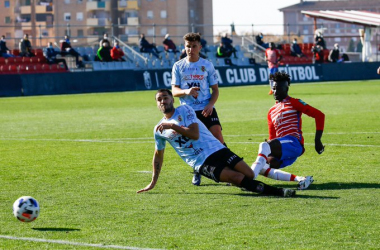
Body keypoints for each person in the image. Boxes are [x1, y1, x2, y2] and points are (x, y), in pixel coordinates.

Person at [137, 89, 296, 198]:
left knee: (249, 175)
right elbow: (158, 156)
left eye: (165, 97)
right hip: (201, 162)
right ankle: (279, 192)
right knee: (236, 177)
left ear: (172, 99)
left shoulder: (185, 110)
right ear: (157, 104)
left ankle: (254, 172)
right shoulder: (158, 129)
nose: (163, 101)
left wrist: (172, 126)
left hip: (217, 149)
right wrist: (153, 182)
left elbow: (194, 134)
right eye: (159, 99)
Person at [251, 72, 325, 190]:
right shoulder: (271, 111)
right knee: (263, 167)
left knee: (263, 146)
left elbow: (319, 115)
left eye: (279, 89)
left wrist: (317, 140)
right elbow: (272, 138)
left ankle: (248, 179)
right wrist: (268, 154)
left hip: (294, 143)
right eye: (274, 89)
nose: (275, 92)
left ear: (286, 88)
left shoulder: (294, 102)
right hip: (283, 149)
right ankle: (301, 179)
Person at [171, 32, 225, 186]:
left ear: (200, 47)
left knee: (218, 136)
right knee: (195, 142)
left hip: (206, 108)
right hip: (187, 111)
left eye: (194, 46)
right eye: (188, 46)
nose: (191, 49)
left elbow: (215, 90)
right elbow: (174, 91)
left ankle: (228, 168)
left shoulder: (207, 65)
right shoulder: (178, 66)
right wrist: (186, 91)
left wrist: (210, 105)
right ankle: (197, 171)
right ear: (184, 47)